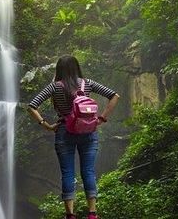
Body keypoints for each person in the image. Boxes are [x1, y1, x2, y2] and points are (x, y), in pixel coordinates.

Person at [27, 55, 120, 219]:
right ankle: (92, 213)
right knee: (88, 172)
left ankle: (70, 215)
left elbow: (32, 106)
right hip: (89, 132)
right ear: (76, 67)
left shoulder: (54, 87)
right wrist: (102, 118)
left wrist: (47, 125)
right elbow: (114, 96)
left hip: (64, 131)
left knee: (68, 173)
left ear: (59, 70)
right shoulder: (88, 83)